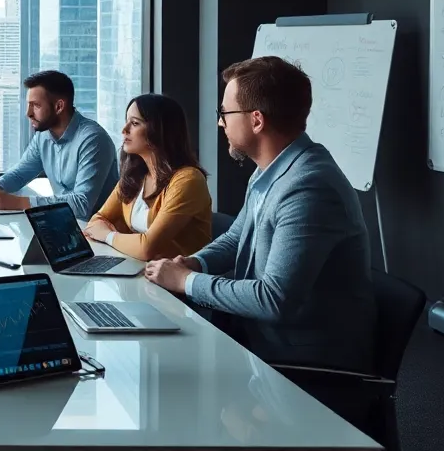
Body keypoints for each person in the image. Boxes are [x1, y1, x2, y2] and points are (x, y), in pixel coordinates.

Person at [144, 56, 375, 372]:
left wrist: (186, 281)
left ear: (256, 120)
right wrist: (194, 263)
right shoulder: (271, 169)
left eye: (224, 112)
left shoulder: (309, 188)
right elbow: (238, 237)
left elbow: (274, 299)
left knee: (166, 374)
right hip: (256, 336)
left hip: (299, 362)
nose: (220, 122)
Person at [0, 70, 118, 219]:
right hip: (64, 225)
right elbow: (20, 173)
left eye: (35, 105)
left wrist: (18, 202)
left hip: (97, 233)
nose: (28, 113)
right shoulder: (43, 135)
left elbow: (82, 205)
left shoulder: (93, 140)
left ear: (59, 106)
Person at [84, 94, 212, 260]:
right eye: (127, 121)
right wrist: (121, 239)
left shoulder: (188, 180)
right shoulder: (135, 175)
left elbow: (147, 249)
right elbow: (96, 221)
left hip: (179, 280)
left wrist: (108, 236)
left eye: (135, 123)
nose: (124, 130)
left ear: (160, 130)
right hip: (142, 271)